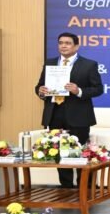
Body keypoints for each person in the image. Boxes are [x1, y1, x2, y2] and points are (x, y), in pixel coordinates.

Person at [35, 32, 104, 187]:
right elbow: (39, 86)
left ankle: (84, 188)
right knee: (59, 152)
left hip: (78, 116)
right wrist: (41, 91)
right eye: (61, 43)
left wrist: (78, 90)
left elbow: (98, 89)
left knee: (80, 153)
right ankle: (66, 188)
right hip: (54, 114)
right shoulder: (50, 63)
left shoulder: (89, 65)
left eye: (67, 43)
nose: (63, 46)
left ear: (76, 46)